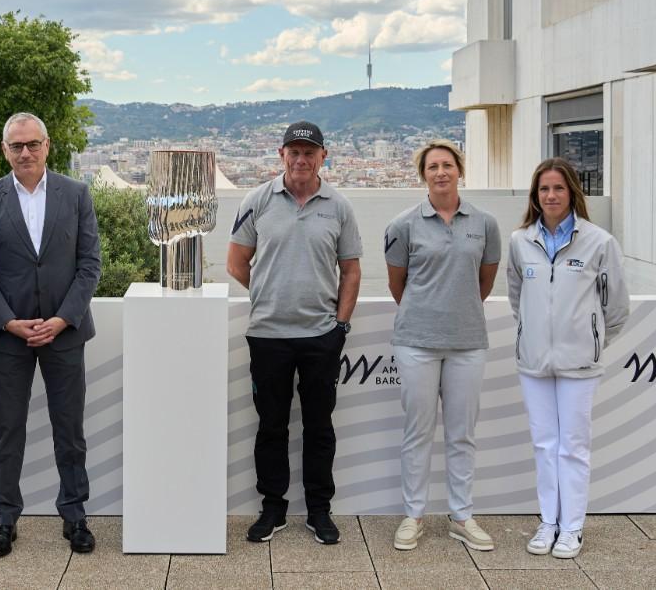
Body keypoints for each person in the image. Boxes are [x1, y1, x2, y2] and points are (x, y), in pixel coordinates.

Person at [0, 112, 102, 557]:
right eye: (16, 146)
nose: (25, 152)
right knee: (7, 432)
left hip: (65, 333)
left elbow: (89, 265)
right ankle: (5, 518)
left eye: (32, 144)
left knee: (70, 430)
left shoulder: (76, 193)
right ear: (4, 150)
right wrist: (8, 321)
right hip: (10, 336)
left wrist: (63, 319)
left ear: (47, 146)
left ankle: (75, 515)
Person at [227, 121, 362, 545]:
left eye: (310, 152)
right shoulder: (257, 200)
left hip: (321, 336)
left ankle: (319, 510)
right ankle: (273, 508)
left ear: (323, 157)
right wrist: (268, 293)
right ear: (281, 155)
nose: (301, 159)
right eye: (295, 152)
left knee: (320, 427)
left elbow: (351, 270)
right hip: (268, 334)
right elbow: (235, 262)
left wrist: (340, 325)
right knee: (271, 427)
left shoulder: (339, 206)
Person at [507, 157, 629, 559]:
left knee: (573, 447)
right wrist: (533, 337)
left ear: (573, 192)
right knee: (544, 445)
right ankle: (548, 523)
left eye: (558, 188)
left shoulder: (600, 242)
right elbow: (517, 299)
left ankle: (572, 528)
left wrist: (590, 343)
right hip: (534, 364)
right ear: (535, 195)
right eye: (544, 189)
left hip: (579, 366)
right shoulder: (520, 241)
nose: (551, 195)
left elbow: (616, 308)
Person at [385, 140, 500, 552]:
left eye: (447, 165)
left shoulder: (484, 224)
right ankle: (413, 515)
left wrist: (456, 309)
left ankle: (461, 516)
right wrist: (430, 310)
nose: (440, 172)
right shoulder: (403, 225)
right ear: (423, 175)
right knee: (417, 432)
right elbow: (398, 284)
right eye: (432, 167)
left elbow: (484, 280)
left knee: (461, 434)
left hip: (467, 342)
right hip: (416, 340)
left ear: (459, 170)